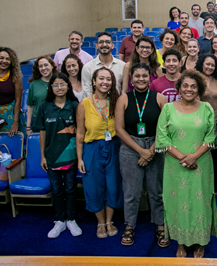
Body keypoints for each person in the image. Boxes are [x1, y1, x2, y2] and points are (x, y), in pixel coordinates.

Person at [155, 70, 217, 258]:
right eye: (185, 86)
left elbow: (211, 135)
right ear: (179, 88)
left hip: (201, 164)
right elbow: (162, 136)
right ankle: (181, 242)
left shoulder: (206, 107)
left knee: (200, 203)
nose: (189, 89)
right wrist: (183, 157)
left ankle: (200, 242)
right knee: (178, 203)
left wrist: (194, 157)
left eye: (193, 86)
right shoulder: (168, 109)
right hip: (175, 166)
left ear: (198, 89)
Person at [115, 63, 169, 247]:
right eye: (137, 76)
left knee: (156, 191)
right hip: (131, 148)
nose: (140, 79)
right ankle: (129, 225)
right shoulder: (124, 99)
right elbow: (119, 130)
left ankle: (160, 225)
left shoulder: (160, 98)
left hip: (156, 145)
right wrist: (141, 151)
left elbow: (165, 129)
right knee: (131, 192)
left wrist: (151, 150)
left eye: (144, 76)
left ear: (150, 77)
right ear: (131, 78)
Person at [76, 67, 123, 239]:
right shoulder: (85, 103)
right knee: (93, 187)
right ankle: (100, 222)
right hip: (92, 149)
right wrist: (80, 158)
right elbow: (80, 132)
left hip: (114, 147)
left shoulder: (118, 101)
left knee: (113, 185)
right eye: (101, 78)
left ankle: (110, 220)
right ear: (94, 81)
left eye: (108, 79)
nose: (105, 82)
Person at [36, 72, 81, 239]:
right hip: (52, 155)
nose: (59, 87)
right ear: (51, 88)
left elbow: (81, 131)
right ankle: (59, 221)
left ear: (68, 86)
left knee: (70, 188)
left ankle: (71, 219)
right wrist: (42, 156)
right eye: (56, 85)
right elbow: (41, 132)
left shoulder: (75, 105)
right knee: (56, 189)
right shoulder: (45, 107)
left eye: (62, 84)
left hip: (70, 154)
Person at [196, 53, 217, 193]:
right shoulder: (195, 79)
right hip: (198, 121)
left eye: (212, 65)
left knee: (214, 155)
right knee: (199, 153)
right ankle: (200, 184)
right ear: (202, 63)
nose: (210, 67)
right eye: (207, 64)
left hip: (216, 122)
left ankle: (216, 185)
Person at [82, 32, 125, 98]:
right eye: (101, 42)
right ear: (97, 46)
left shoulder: (122, 66)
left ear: (112, 45)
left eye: (107, 42)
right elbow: (87, 92)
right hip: (95, 106)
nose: (104, 44)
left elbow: (124, 91)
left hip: (117, 105)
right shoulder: (88, 67)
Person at [27, 55, 57, 135]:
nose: (43, 68)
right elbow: (30, 106)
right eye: (40, 66)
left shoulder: (59, 82)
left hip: (55, 121)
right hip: (37, 122)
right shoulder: (34, 84)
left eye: (46, 65)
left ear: (51, 65)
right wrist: (28, 127)